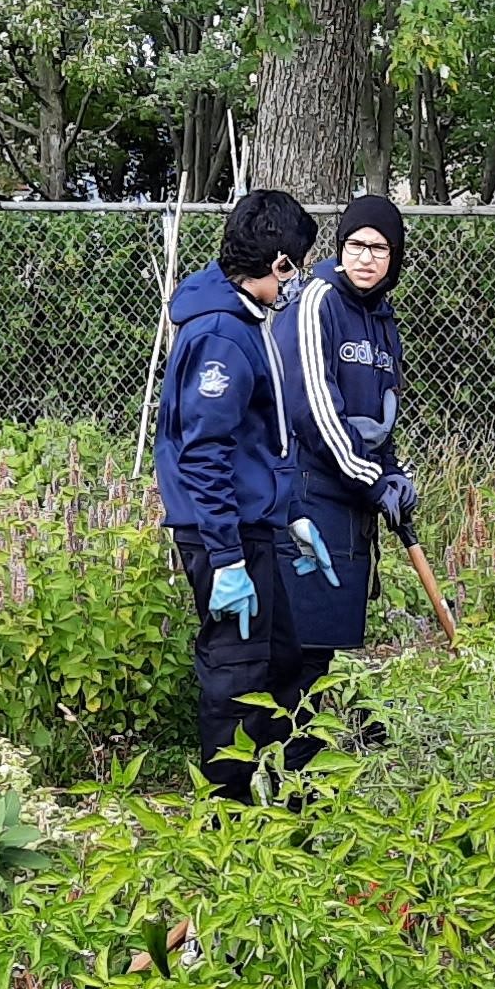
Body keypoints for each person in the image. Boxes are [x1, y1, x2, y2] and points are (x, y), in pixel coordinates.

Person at [154, 189, 319, 800]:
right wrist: (225, 558)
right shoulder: (223, 335)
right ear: (278, 264)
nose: (296, 279)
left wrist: (291, 514)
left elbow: (261, 441)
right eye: (295, 266)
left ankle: (280, 791)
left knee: (280, 659)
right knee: (235, 669)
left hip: (252, 527)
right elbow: (204, 452)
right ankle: (226, 812)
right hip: (223, 533)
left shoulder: (244, 320)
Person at [267, 194, 422, 703]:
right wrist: (371, 478)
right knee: (300, 645)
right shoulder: (317, 302)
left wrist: (393, 472)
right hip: (310, 492)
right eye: (355, 245)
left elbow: (383, 412)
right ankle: (290, 766)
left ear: (394, 257)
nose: (365, 257)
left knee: (327, 645)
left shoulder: (383, 318)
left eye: (379, 249)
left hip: (350, 497)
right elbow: (313, 408)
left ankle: (308, 763)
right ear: (340, 248)